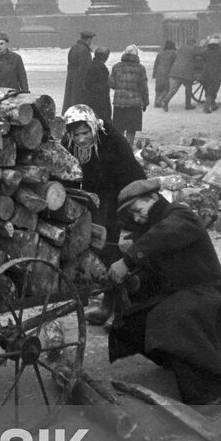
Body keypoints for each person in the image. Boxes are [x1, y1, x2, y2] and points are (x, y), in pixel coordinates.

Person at [108, 178, 221, 406]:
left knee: (171, 319)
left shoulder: (180, 215)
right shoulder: (154, 228)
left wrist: (128, 260)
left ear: (154, 198)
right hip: (185, 295)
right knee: (131, 323)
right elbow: (155, 275)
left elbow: (164, 235)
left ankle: (214, 391)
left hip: (211, 293)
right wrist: (135, 282)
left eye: (138, 210)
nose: (137, 218)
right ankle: (179, 360)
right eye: (133, 215)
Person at [62, 104, 145, 324]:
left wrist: (125, 219)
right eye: (76, 134)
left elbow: (131, 180)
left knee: (114, 252)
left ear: (92, 127)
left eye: (84, 133)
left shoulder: (113, 142)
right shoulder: (68, 143)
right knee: (96, 251)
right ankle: (107, 304)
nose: (80, 139)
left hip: (121, 198)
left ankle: (122, 311)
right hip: (94, 200)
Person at [108, 45, 149, 148]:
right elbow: (143, 87)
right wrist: (145, 102)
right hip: (134, 104)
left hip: (119, 103)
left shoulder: (116, 67)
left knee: (119, 128)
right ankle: (129, 147)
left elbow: (112, 84)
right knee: (131, 129)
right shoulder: (140, 68)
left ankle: (120, 148)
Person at [159, 37, 201, 111]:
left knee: (173, 89)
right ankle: (188, 105)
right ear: (193, 43)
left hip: (175, 70)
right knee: (188, 88)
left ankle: (165, 101)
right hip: (186, 72)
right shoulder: (193, 49)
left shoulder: (181, 47)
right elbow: (199, 55)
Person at [62, 30, 95, 113]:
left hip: (71, 78)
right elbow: (84, 69)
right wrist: (85, 84)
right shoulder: (84, 50)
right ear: (88, 40)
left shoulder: (74, 47)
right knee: (78, 103)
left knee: (70, 100)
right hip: (79, 81)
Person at [82, 46, 111, 122]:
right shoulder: (100, 68)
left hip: (91, 100)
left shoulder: (91, 66)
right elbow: (91, 84)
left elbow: (88, 84)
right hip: (99, 100)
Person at [201, 39, 221, 114]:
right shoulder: (219, 53)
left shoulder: (205, 52)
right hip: (215, 73)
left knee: (207, 88)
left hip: (205, 73)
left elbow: (203, 60)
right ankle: (206, 107)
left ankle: (213, 105)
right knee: (213, 90)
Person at [152, 40, 177, 108]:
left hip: (159, 71)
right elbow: (175, 63)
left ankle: (156, 102)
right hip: (167, 71)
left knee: (158, 88)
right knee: (167, 88)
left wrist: (154, 74)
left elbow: (156, 64)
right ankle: (159, 100)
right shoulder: (173, 53)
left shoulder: (160, 54)